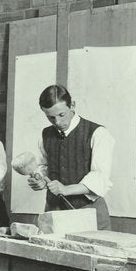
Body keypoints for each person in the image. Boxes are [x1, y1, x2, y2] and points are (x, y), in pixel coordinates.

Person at [28, 84, 114, 230]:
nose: (58, 122)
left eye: (62, 115)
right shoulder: (45, 135)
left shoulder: (98, 133)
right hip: (54, 212)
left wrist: (66, 189)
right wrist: (40, 180)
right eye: (50, 117)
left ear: (72, 105)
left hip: (89, 213)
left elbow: (100, 177)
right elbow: (43, 167)